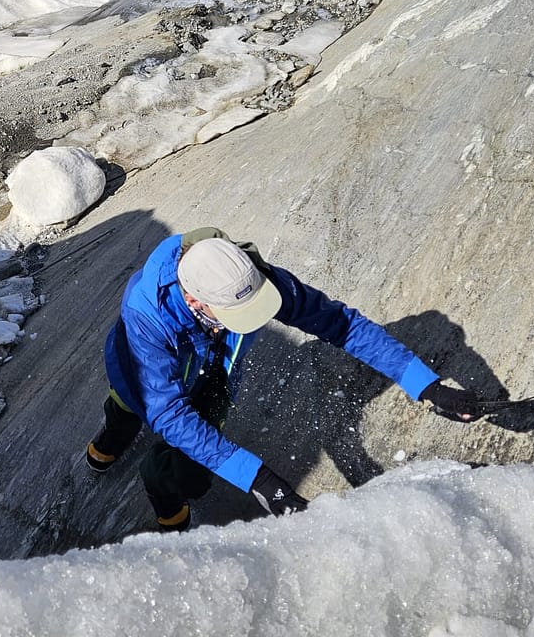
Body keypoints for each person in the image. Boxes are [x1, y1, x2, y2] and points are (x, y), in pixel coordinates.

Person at [85, 228, 482, 531]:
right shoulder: (145, 316)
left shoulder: (242, 274)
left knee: (189, 478)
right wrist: (257, 476)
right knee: (126, 408)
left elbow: (339, 323)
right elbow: (168, 413)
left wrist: (425, 384)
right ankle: (113, 440)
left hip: (210, 378)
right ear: (194, 300)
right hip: (137, 375)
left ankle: (163, 488)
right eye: (237, 315)